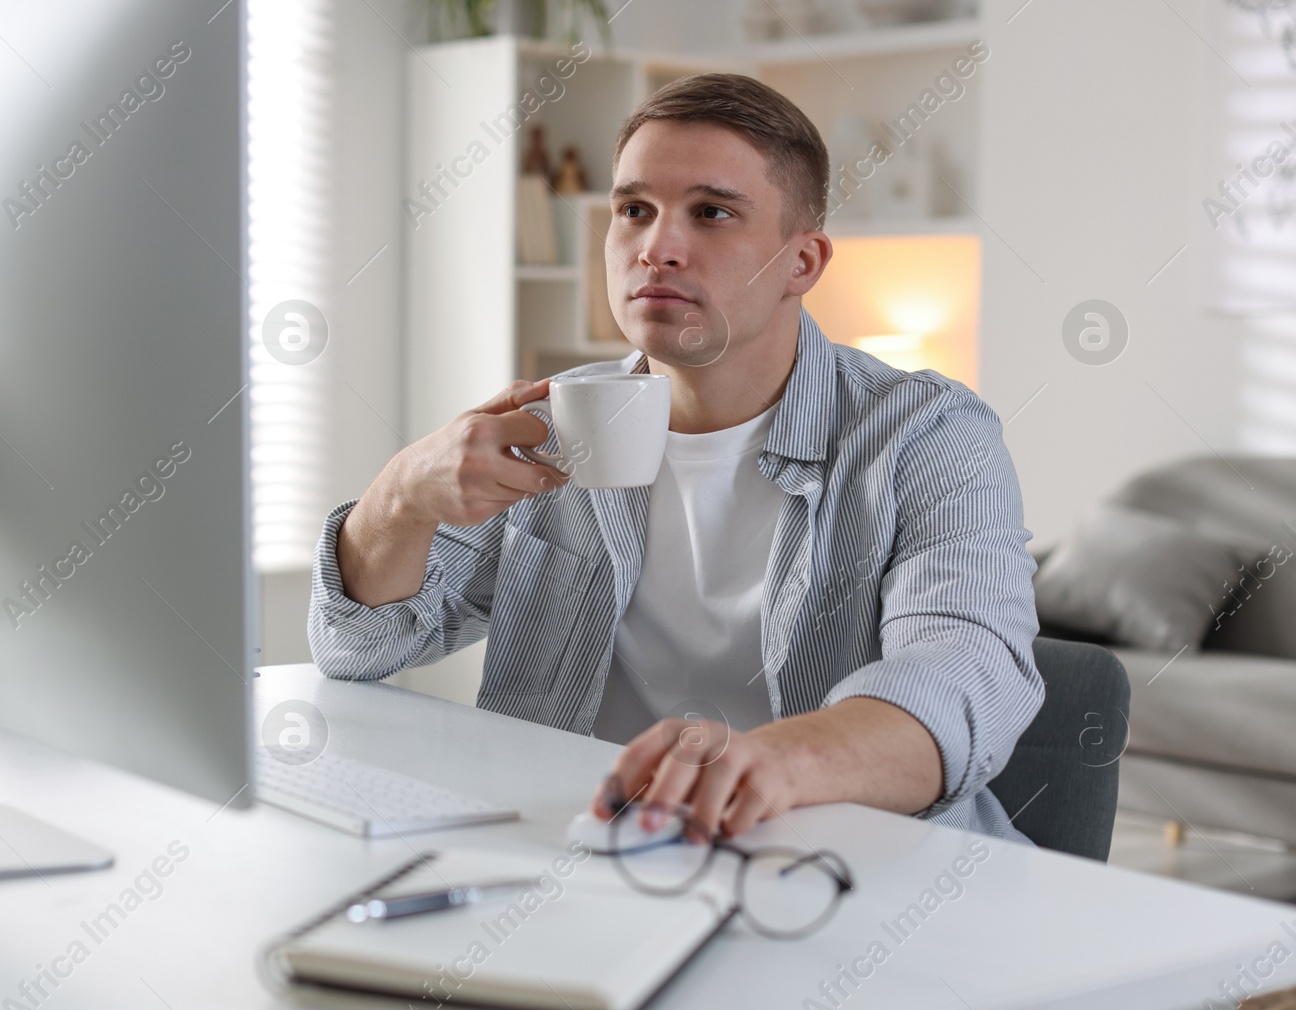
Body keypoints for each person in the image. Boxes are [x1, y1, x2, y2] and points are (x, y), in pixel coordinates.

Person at [307, 73, 1042, 844]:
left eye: (712, 212)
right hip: (581, 851)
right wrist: (400, 498)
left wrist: (775, 764)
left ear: (803, 263)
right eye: (633, 210)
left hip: (852, 868)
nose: (657, 248)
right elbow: (358, 647)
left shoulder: (929, 435)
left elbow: (970, 675)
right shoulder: (548, 420)